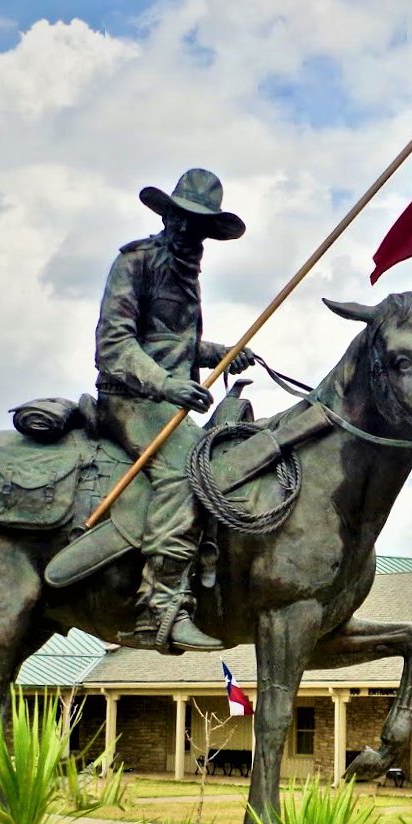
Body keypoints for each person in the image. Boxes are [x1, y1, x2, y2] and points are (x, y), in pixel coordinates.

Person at [94, 168, 255, 653]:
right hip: (130, 399)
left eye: (200, 225)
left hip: (169, 400)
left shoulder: (188, 270)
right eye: (182, 220)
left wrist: (218, 353)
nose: (189, 231)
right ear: (167, 216)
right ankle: (160, 606)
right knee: (187, 471)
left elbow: (170, 343)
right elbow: (115, 344)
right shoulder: (136, 261)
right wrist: (167, 385)